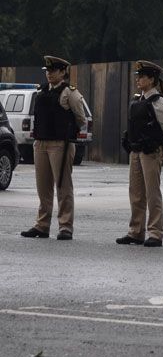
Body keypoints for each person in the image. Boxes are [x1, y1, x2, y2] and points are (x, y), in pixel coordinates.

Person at [21, 56, 86, 241]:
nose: (49, 74)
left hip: (60, 144)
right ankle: (42, 225)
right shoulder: (42, 91)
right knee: (43, 188)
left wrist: (69, 132)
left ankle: (65, 226)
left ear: (63, 72)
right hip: (41, 142)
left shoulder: (69, 93)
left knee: (63, 186)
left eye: (53, 71)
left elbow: (81, 118)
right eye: (47, 71)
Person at [117, 60, 163, 247]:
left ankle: (155, 233)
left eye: (142, 76)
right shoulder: (138, 99)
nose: (138, 79)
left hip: (151, 152)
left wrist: (160, 152)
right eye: (137, 76)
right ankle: (136, 231)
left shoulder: (158, 102)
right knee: (136, 193)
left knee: (152, 193)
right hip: (136, 151)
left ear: (151, 79)